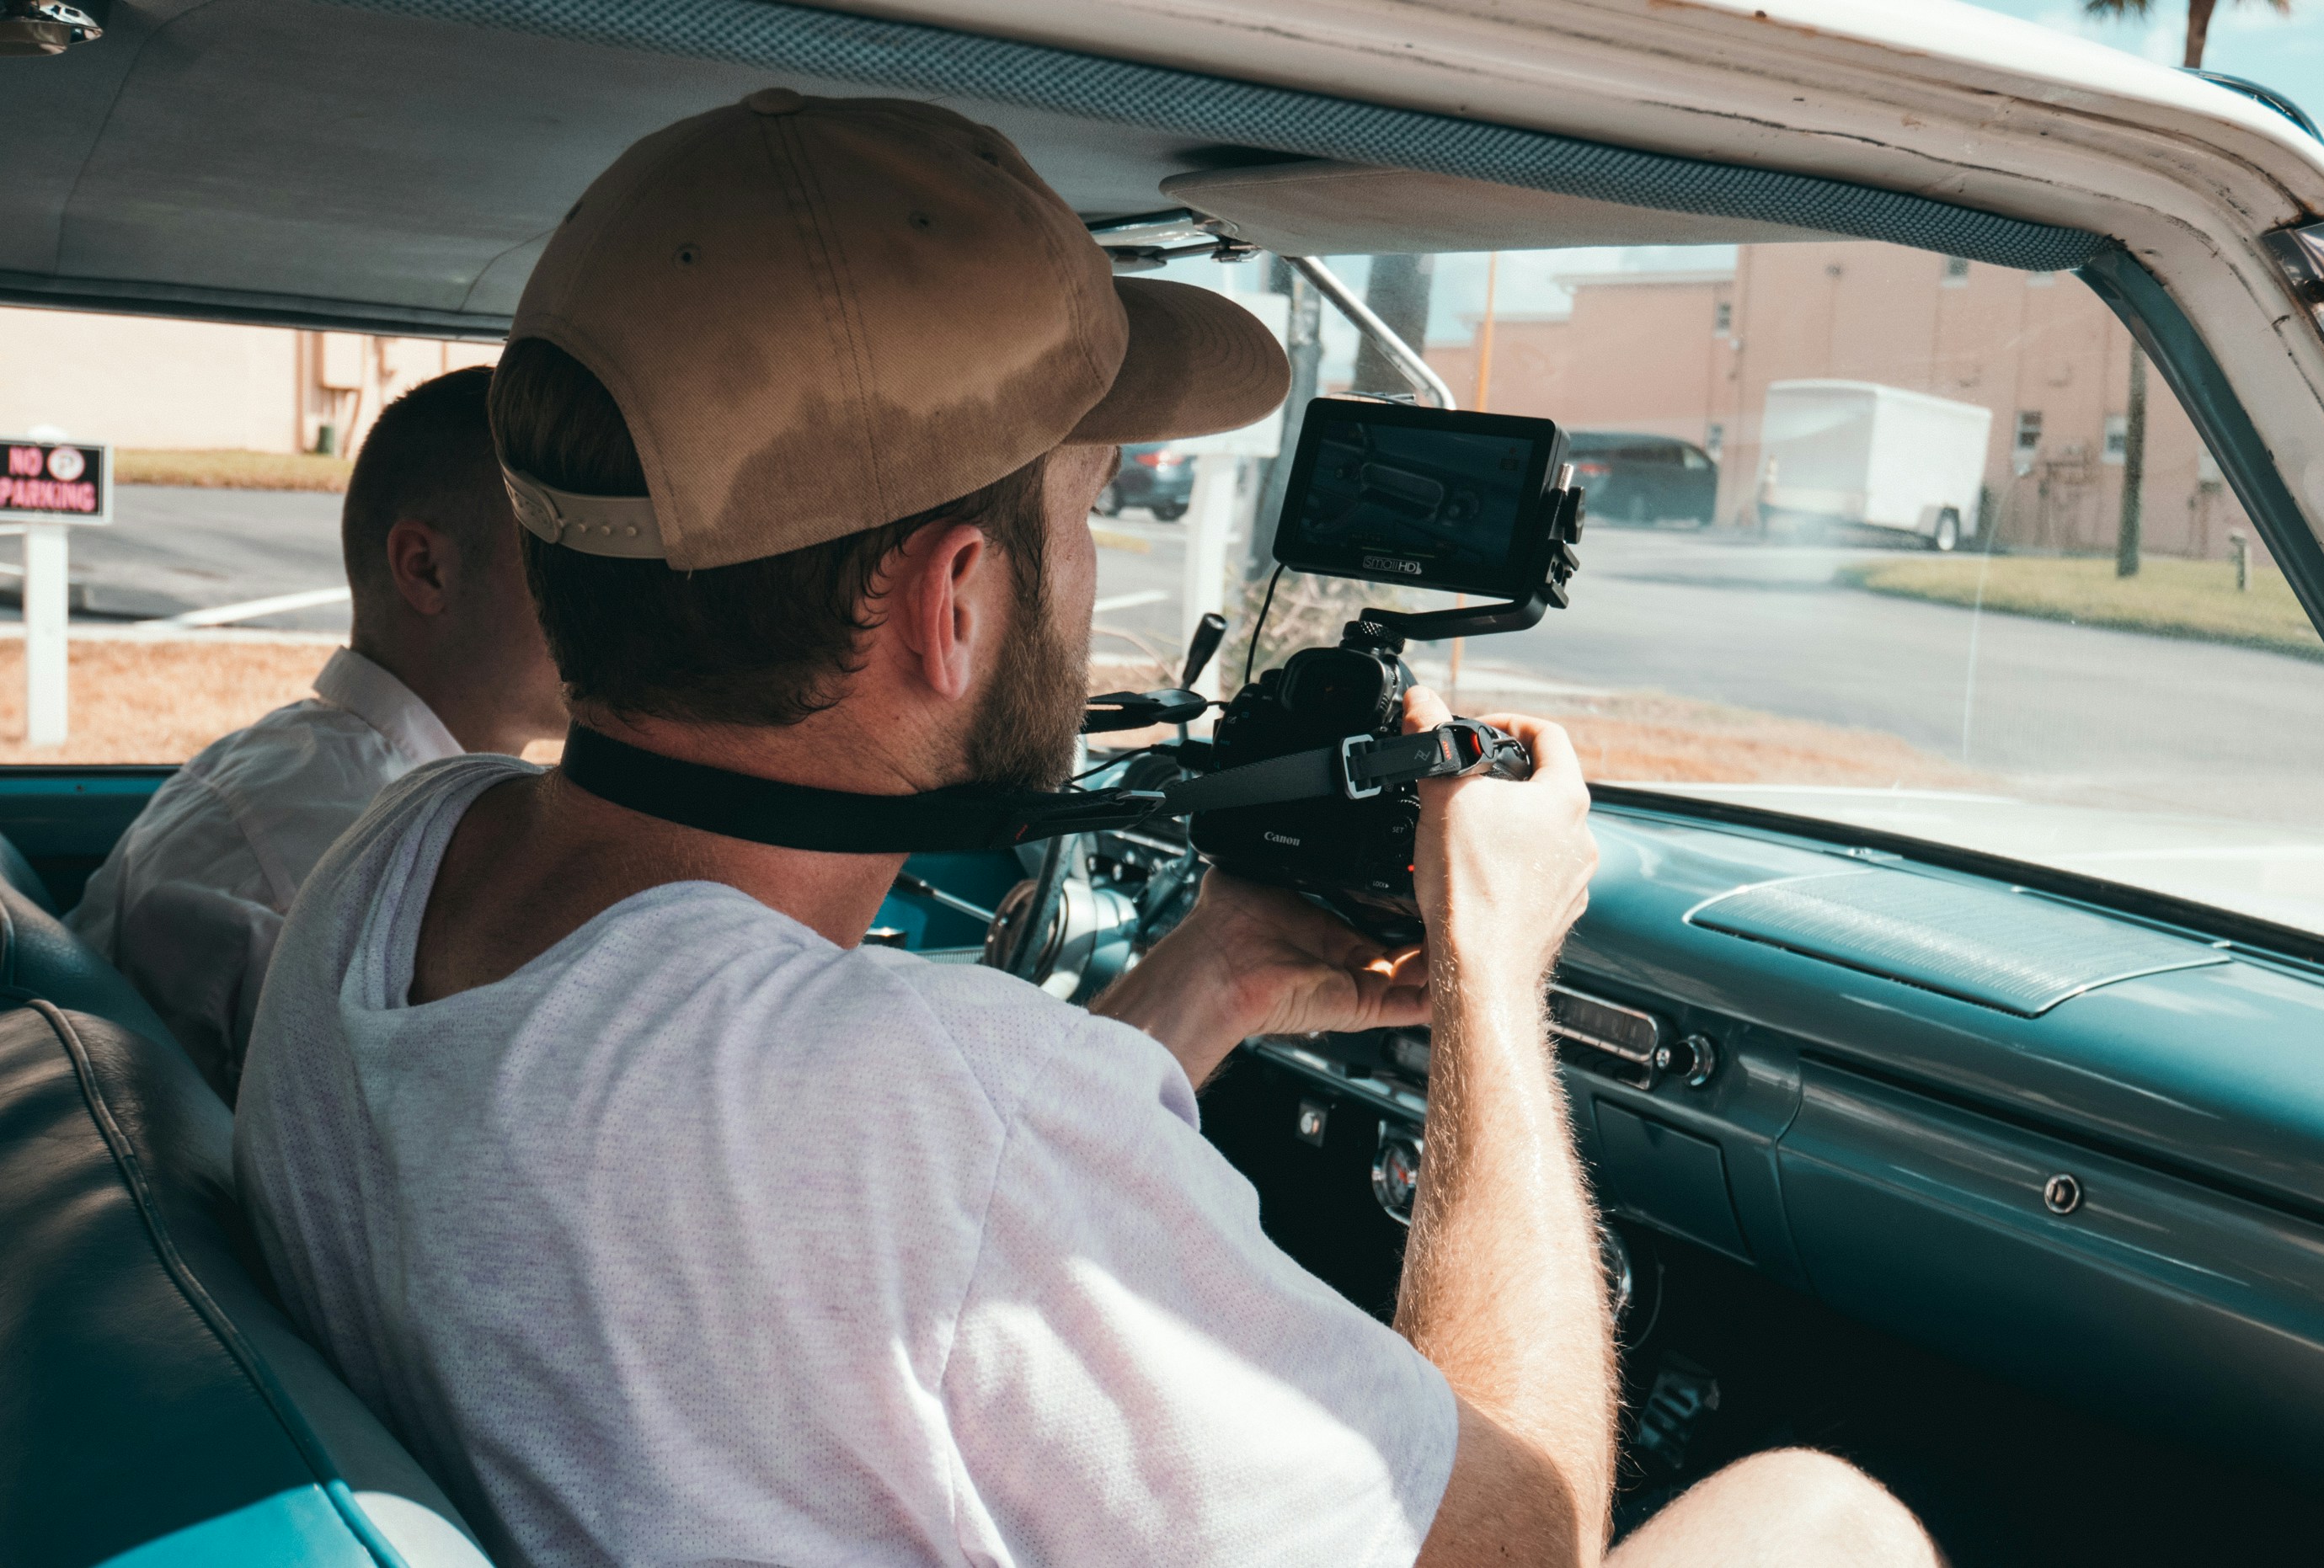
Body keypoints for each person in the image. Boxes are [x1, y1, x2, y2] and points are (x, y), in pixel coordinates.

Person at [234, 93, 1939, 1566]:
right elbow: (1523, 1536)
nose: (1099, 562)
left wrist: (1216, 975)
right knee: (1819, 1514)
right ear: (951, 604)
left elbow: (870, 1241)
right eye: (1084, 505)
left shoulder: (382, 868)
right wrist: (1495, 975)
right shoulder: (912, 1101)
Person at [70, 367, 568, 1101]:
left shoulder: (277, 769)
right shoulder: (357, 882)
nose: (607, 608)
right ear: (424, 569)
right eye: (558, 559)